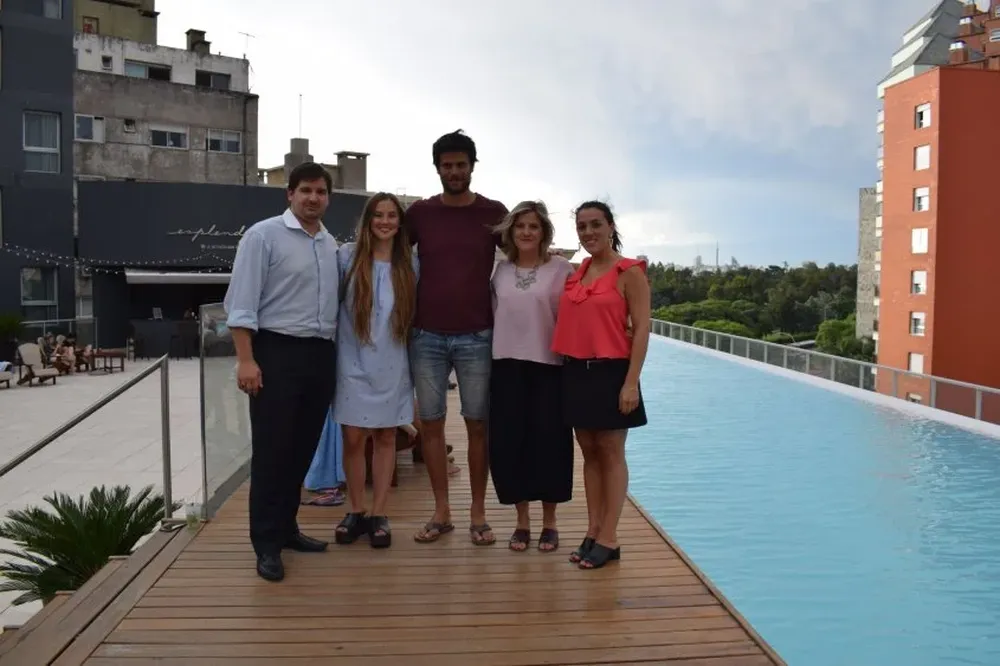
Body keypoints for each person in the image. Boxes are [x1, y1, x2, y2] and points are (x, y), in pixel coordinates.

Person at [223, 161, 339, 582]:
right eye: (305, 190)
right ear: (289, 194)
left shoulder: (330, 245)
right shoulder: (262, 236)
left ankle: (288, 528)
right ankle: (266, 544)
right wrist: (246, 359)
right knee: (272, 452)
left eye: (321, 192)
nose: (313, 198)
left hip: (319, 356)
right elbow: (241, 304)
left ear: (328, 198)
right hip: (276, 352)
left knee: (301, 450)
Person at [406, 130, 508, 545]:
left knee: (478, 425)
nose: (454, 172)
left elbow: (525, 254)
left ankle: (478, 513)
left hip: (477, 335)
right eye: (446, 165)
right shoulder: (420, 214)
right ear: (437, 169)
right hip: (426, 334)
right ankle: (441, 511)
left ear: (472, 166)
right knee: (431, 425)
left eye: (460, 165)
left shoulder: (493, 212)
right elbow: (385, 256)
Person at [551, 200, 651, 570]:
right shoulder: (579, 273)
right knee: (589, 451)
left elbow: (641, 330)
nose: (589, 232)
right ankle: (593, 530)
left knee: (611, 452)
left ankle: (610, 536)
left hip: (612, 372)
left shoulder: (630, 272)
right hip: (576, 371)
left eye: (596, 224)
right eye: (582, 226)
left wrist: (631, 383)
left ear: (611, 227)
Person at [332, 192, 418, 549]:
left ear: (400, 222)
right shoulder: (346, 257)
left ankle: (379, 513)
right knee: (353, 437)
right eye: (378, 215)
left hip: (394, 360)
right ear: (368, 220)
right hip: (351, 358)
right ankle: (355, 509)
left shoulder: (410, 263)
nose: (385, 221)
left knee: (386, 437)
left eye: (392, 216)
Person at [489, 201, 575, 552]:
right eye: (520, 226)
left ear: (544, 233)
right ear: (511, 231)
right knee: (511, 444)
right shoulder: (499, 271)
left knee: (550, 444)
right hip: (506, 364)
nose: (526, 232)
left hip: (548, 365)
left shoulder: (561, 269)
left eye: (533, 227)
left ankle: (549, 523)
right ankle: (522, 522)